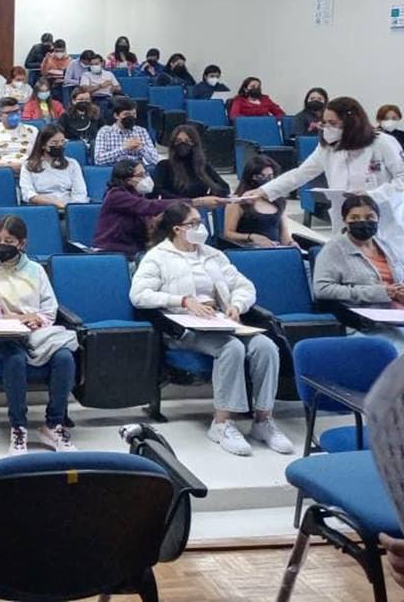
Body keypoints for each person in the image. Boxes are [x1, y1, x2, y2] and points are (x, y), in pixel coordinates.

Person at [130, 202, 294, 457]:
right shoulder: (158, 256)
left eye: (200, 222)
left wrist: (236, 305)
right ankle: (222, 422)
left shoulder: (213, 255)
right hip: (183, 327)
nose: (201, 228)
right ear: (177, 229)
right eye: (193, 223)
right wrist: (182, 300)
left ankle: (263, 420)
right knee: (231, 348)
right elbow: (139, 295)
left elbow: (245, 286)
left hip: (221, 322)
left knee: (266, 347)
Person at [0, 215, 80, 454]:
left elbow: (50, 308)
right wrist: (7, 319)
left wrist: (37, 320)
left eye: (8, 240)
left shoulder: (35, 270)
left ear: (22, 244)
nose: (1, 244)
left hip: (36, 334)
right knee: (14, 358)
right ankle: (18, 427)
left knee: (64, 357)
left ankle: (53, 424)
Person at [245, 97, 404, 236]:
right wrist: (263, 191)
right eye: (324, 123)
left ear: (351, 123)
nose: (328, 128)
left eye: (333, 123)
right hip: (345, 217)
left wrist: (374, 194)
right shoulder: (327, 148)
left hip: (383, 216)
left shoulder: (382, 143)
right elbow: (300, 174)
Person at [313, 195, 404, 354]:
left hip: (398, 316)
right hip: (366, 323)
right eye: (355, 217)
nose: (363, 222)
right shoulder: (334, 249)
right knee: (398, 353)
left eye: (370, 217)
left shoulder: (386, 246)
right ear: (344, 221)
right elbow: (322, 289)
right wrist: (377, 292)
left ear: (378, 219)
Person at [94, 160, 222, 255]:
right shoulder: (116, 195)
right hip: (113, 251)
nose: (146, 178)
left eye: (146, 173)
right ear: (128, 180)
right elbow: (149, 206)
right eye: (141, 175)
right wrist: (196, 201)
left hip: (135, 250)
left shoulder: (138, 195)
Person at [224, 156, 293, 247]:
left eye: (270, 176)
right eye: (261, 176)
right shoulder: (239, 202)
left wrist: (291, 243)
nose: (267, 180)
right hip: (250, 250)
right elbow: (228, 234)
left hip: (275, 249)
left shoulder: (278, 201)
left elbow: (285, 236)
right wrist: (251, 237)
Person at [153, 125, 231, 200]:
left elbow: (224, 188)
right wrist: (190, 202)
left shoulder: (202, 166)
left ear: (195, 144)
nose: (182, 144)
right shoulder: (164, 166)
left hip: (200, 208)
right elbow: (157, 190)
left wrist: (208, 197)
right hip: (175, 208)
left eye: (187, 141)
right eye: (178, 141)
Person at [20, 125, 87, 209]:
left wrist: (71, 208)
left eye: (62, 142)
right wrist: (56, 203)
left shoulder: (72, 164)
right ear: (43, 145)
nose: (59, 145)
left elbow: (80, 193)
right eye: (54, 143)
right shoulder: (28, 166)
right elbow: (28, 194)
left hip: (69, 208)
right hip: (41, 209)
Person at [93, 98, 159, 167]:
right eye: (126, 114)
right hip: (115, 171)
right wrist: (124, 149)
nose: (131, 117)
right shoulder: (105, 132)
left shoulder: (141, 131)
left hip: (137, 171)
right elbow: (98, 160)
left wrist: (142, 148)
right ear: (116, 116)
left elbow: (155, 160)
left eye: (133, 114)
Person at [79, 52, 123, 121]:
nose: (94, 66)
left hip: (109, 97)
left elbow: (119, 88)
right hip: (94, 98)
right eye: (92, 64)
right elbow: (85, 89)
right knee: (102, 105)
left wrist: (114, 88)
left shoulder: (109, 74)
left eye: (96, 64)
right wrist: (101, 86)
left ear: (102, 63)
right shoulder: (86, 75)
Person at [58, 89, 101, 153]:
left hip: (94, 147)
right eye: (81, 99)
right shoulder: (65, 116)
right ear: (73, 101)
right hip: (74, 148)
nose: (84, 102)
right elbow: (60, 133)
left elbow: (103, 130)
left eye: (87, 99)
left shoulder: (96, 114)